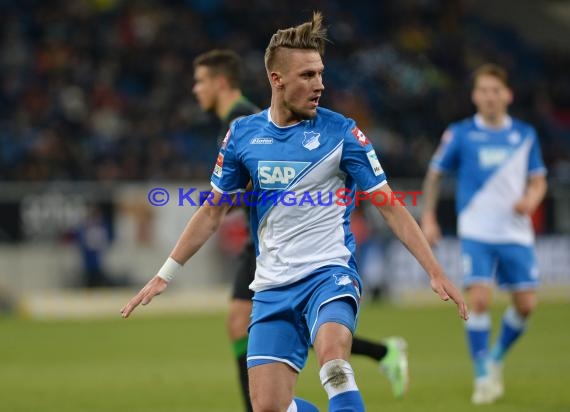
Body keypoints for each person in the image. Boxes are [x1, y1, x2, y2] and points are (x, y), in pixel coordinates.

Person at [122, 12, 467, 412]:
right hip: (271, 286)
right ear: (277, 79)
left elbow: (389, 206)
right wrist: (166, 274)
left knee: (335, 361)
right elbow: (212, 213)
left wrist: (435, 270)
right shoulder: (243, 134)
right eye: (307, 75)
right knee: (268, 407)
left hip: (329, 274)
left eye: (320, 73)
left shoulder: (343, 133)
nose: (319, 84)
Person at [193, 49, 411, 410]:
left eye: (200, 81)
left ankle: (377, 354)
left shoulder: (247, 119)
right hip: (267, 240)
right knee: (250, 324)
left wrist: (222, 202)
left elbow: (274, 178)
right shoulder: (236, 123)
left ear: (220, 83)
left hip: (280, 241)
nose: (195, 90)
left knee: (299, 328)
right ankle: (378, 353)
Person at [420, 63, 547, 405]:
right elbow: (434, 175)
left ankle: (495, 358)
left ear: (507, 95)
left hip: (516, 233)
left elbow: (538, 179)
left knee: (526, 305)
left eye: (496, 90)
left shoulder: (524, 134)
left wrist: (531, 199)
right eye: (483, 91)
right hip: (476, 231)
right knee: (477, 300)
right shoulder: (460, 133)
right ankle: (481, 375)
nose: (490, 97)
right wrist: (429, 217)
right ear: (475, 96)